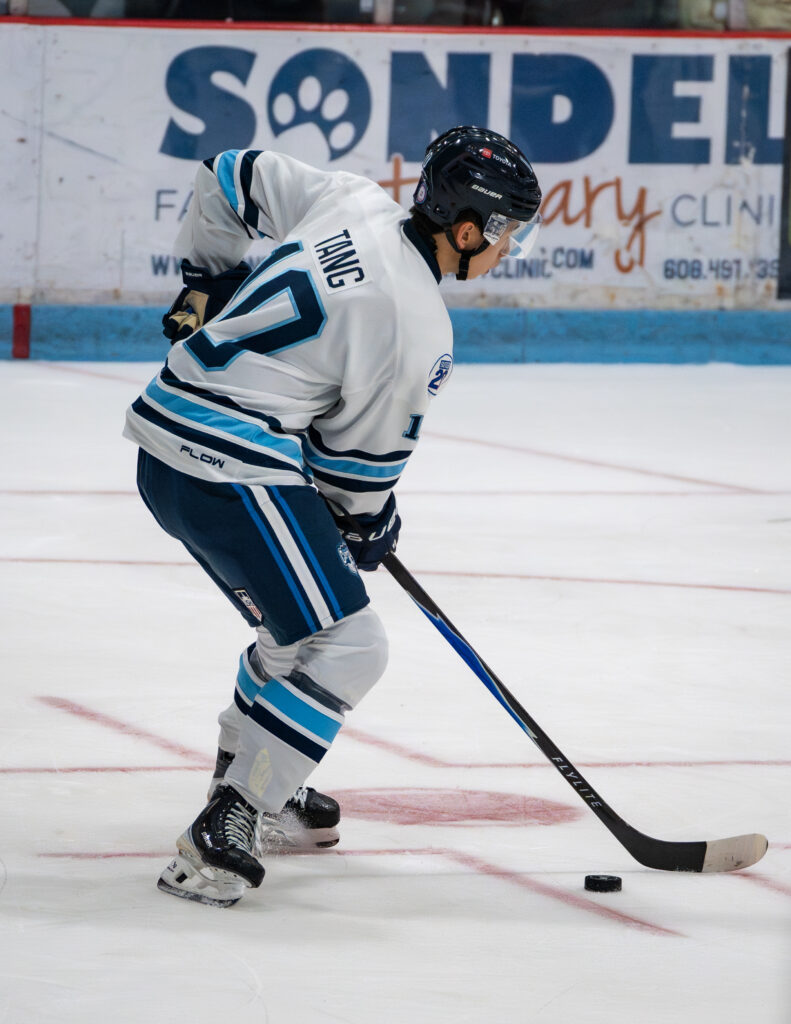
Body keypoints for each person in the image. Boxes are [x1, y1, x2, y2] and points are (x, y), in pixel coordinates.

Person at [123, 125, 542, 907]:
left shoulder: (353, 199)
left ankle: (256, 786)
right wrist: (370, 524)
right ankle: (232, 818)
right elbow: (353, 477)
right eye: (505, 232)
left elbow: (227, 176)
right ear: (464, 229)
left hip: (163, 445)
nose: (508, 247)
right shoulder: (417, 327)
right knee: (351, 645)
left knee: (298, 632)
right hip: (231, 469)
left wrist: (206, 282)